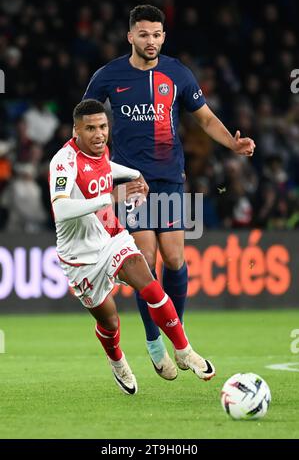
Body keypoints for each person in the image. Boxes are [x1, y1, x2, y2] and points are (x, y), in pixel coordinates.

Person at [83, 5, 255, 381]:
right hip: (129, 182)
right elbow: (84, 118)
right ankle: (154, 342)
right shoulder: (108, 75)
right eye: (143, 34)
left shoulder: (177, 73)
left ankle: (179, 341)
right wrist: (92, 166)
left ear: (164, 36)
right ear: (131, 36)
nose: (151, 41)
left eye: (157, 34)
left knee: (175, 259)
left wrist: (233, 144)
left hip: (170, 179)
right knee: (145, 258)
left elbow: (205, 117)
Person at [49, 99, 215, 395]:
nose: (99, 134)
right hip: (80, 257)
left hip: (112, 237)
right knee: (110, 323)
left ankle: (184, 349)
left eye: (103, 127)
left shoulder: (101, 151)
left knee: (150, 285)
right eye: (90, 129)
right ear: (76, 130)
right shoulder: (63, 162)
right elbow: (60, 209)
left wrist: (132, 173)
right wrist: (111, 197)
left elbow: (103, 168)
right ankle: (116, 360)